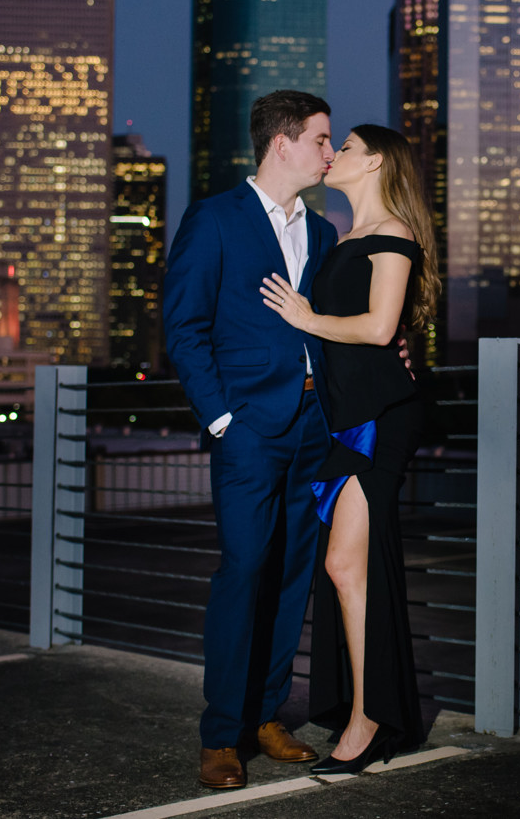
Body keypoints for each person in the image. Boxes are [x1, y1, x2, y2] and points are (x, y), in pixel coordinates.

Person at [163, 89, 336, 790]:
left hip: (312, 425)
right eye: (322, 139)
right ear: (282, 142)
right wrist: (222, 419)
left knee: (294, 577)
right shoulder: (215, 219)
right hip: (248, 432)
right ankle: (222, 733)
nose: (330, 151)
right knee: (242, 573)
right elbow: (184, 326)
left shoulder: (322, 233)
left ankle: (268, 716)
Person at [259, 123, 439, 775]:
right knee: (347, 569)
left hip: (381, 419)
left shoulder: (394, 233)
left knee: (341, 564)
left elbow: (380, 326)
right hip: (346, 419)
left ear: (377, 165)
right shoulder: (344, 241)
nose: (335, 155)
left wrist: (306, 317)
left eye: (349, 148)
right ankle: (370, 710)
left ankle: (370, 718)